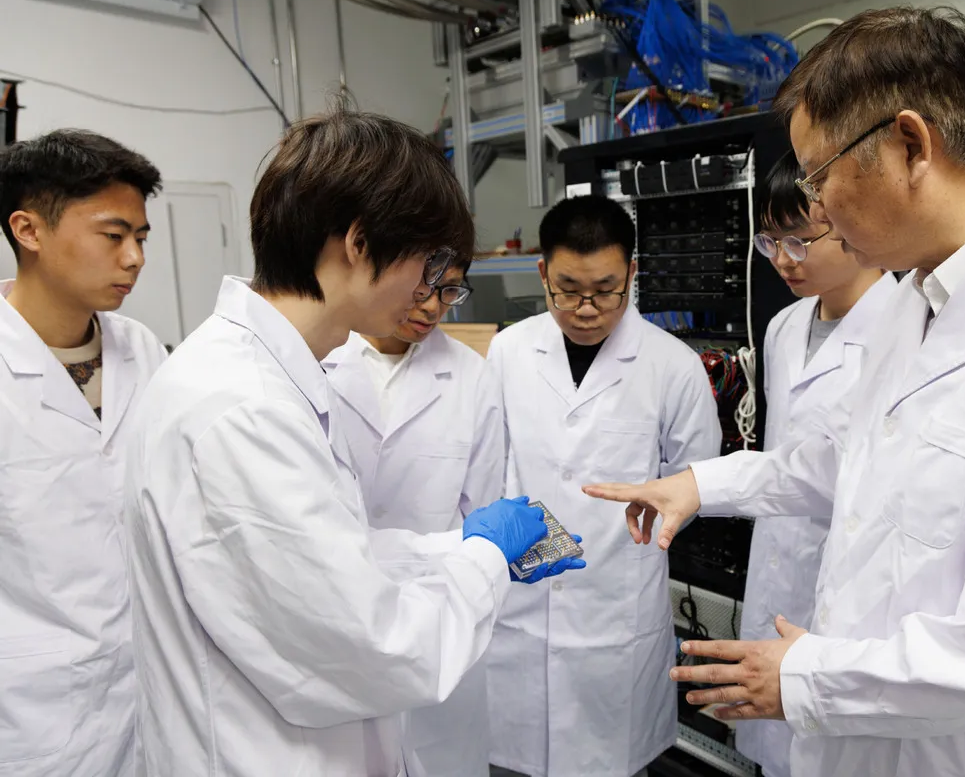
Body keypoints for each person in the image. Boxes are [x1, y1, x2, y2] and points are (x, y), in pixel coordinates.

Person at [585, 6, 965, 777]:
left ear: (910, 145)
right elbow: (851, 460)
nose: (817, 210)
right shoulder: (918, 298)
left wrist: (807, 679)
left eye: (818, 176)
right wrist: (700, 485)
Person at [123, 109, 583, 777]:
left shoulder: (265, 373)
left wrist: (455, 544)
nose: (430, 294)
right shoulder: (245, 407)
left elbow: (328, 557)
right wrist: (484, 555)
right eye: (429, 263)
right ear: (360, 243)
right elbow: (378, 646)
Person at [486, 194, 721, 777]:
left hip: (616, 606)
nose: (585, 309)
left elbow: (695, 482)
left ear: (632, 274)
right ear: (542, 273)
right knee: (512, 762)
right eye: (567, 290)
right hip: (522, 601)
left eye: (605, 290)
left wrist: (651, 513)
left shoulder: (672, 366)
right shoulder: (509, 351)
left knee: (611, 764)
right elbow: (489, 464)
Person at [0, 130, 165, 777]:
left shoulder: (142, 350)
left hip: (154, 687)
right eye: (113, 235)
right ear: (28, 231)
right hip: (32, 708)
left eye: (141, 237)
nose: (135, 258)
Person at [736, 150, 896, 777]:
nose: (783, 260)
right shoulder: (783, 326)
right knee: (770, 747)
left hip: (851, 577)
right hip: (775, 556)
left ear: (851, 224)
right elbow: (783, 458)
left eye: (799, 240)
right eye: (770, 242)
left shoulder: (902, 326)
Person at [323, 253, 500, 777]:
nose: (431, 307)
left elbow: (482, 513)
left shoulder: (472, 377)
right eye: (422, 288)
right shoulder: (321, 362)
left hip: (437, 622)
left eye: (450, 291)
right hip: (339, 620)